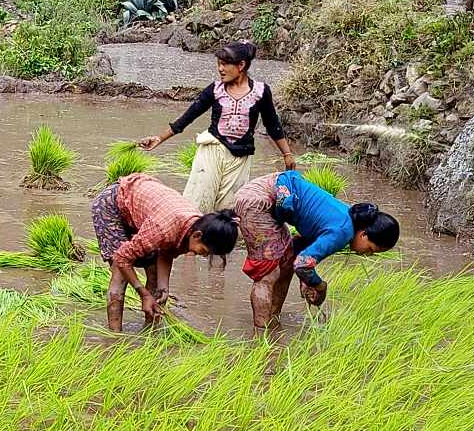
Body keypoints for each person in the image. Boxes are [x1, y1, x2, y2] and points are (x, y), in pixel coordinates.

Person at [137, 41, 297, 211]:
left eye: (225, 64)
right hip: (212, 150)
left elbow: (272, 124)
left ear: (241, 65)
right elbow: (188, 117)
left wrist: (287, 154)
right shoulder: (215, 90)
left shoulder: (260, 92)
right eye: (219, 64)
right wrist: (159, 138)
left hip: (240, 157)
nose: (220, 69)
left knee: (229, 208)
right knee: (199, 200)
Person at [233, 169, 399, 332]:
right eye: (371, 249)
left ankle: (273, 319)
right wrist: (320, 286)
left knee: (286, 262)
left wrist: (305, 281)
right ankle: (262, 335)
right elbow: (303, 265)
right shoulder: (343, 231)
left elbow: (298, 249)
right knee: (267, 274)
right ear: (363, 234)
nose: (367, 254)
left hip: (265, 192)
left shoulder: (342, 216)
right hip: (258, 202)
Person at [89, 171, 239, 332]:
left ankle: (150, 333)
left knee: (154, 272)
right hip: (112, 205)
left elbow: (167, 250)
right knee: (120, 274)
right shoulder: (163, 229)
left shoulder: (196, 225)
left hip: (144, 208)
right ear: (197, 236)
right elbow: (122, 258)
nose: (203, 255)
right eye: (204, 251)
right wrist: (143, 294)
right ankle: (115, 336)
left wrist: (163, 287)